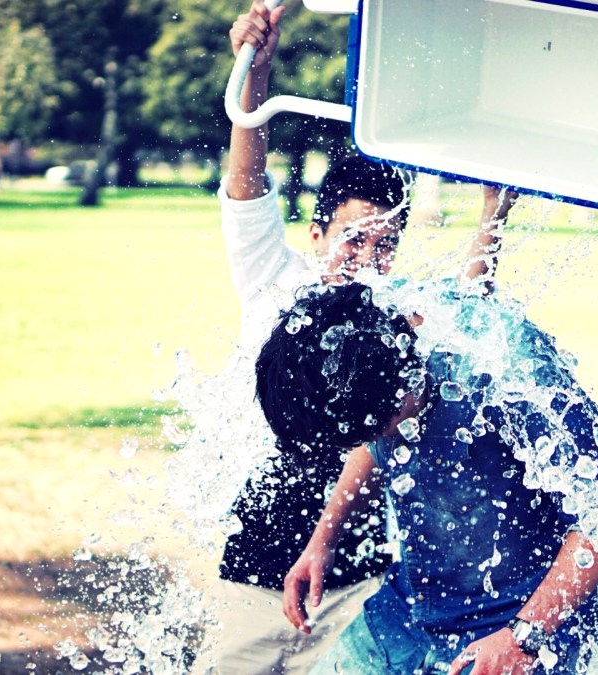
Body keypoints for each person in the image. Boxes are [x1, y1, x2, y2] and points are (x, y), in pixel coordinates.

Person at [206, 2, 518, 673]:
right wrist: (256, 74)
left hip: (364, 574)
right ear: (314, 235)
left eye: (386, 246)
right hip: (255, 567)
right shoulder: (274, 281)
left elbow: (473, 317)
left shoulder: (394, 321)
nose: (368, 260)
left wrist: (493, 210)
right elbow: (246, 181)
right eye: (353, 239)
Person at [256, 280, 598, 674]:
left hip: (520, 630)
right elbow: (371, 441)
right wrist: (323, 539)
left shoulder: (503, 364)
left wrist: (525, 635)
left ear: (395, 397)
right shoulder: (371, 346)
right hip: (406, 617)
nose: (375, 442)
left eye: (375, 431)